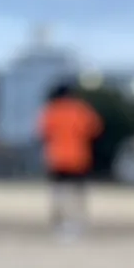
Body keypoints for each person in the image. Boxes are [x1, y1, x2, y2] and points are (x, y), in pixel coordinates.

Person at [37, 82, 102, 237]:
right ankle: (77, 223)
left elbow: (42, 133)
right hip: (78, 158)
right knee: (78, 193)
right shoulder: (81, 110)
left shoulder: (51, 110)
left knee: (58, 193)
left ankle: (58, 224)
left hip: (57, 158)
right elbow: (95, 130)